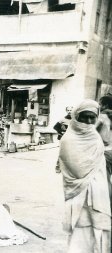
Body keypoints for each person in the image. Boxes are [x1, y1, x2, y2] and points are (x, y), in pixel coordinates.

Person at [58, 99, 111, 253]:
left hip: (100, 196)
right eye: (84, 117)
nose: (88, 121)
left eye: (92, 117)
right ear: (76, 116)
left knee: (100, 237)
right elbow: (76, 170)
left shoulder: (95, 137)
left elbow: (101, 165)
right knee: (80, 237)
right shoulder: (68, 140)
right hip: (79, 197)